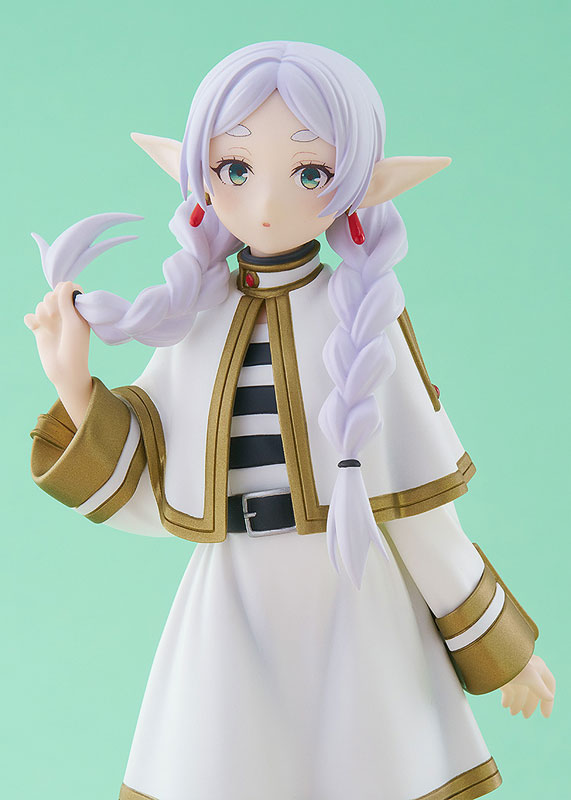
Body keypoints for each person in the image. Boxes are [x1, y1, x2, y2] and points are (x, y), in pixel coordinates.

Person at [25, 41, 555, 800]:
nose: (266, 202)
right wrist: (73, 384)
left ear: (356, 183)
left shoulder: (362, 317)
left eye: (310, 173)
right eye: (235, 169)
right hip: (231, 599)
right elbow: (147, 470)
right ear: (200, 174)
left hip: (353, 597)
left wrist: (504, 651)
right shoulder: (198, 318)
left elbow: (416, 509)